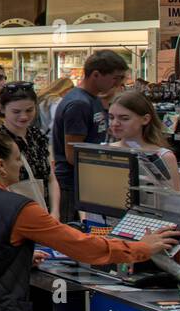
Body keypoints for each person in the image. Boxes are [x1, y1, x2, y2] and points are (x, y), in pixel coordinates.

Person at [0, 129, 180, 311]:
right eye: (17, 159)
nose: (20, 165)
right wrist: (142, 248)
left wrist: (16, 257)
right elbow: (83, 247)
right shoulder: (19, 208)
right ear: (0, 165)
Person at [51, 49, 127, 224]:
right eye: (115, 78)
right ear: (96, 75)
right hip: (73, 184)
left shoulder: (92, 99)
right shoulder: (79, 103)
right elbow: (73, 154)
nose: (117, 83)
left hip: (85, 180)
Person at [0, 82, 56, 212]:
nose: (24, 116)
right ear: (1, 109)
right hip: (15, 214)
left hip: (44, 212)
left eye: (29, 110)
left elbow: (51, 178)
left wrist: (55, 212)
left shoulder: (37, 135)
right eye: (16, 111)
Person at [107, 91, 180, 191]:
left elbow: (174, 200)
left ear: (145, 119)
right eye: (111, 117)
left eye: (124, 118)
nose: (115, 123)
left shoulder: (163, 157)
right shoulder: (104, 150)